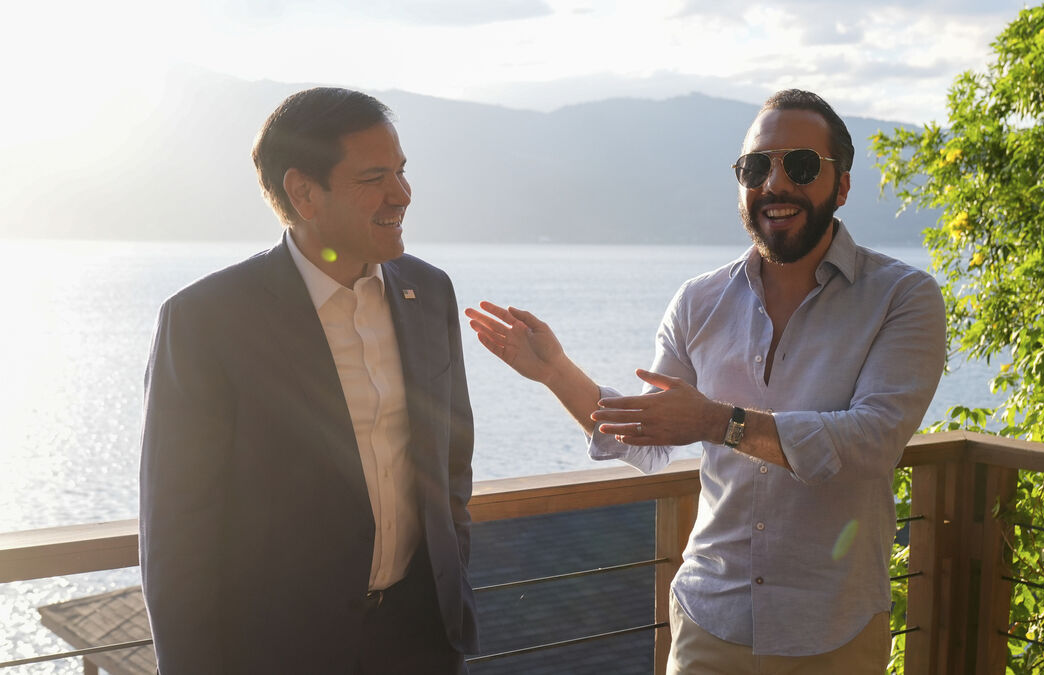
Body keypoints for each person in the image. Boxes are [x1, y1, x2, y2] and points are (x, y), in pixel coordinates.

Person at [465, 89, 945, 673]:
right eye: (755, 168)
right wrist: (554, 371)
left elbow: (871, 443)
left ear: (841, 186)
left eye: (799, 166)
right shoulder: (699, 302)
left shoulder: (902, 298)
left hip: (831, 630)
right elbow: (647, 438)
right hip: (709, 622)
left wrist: (720, 423)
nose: (774, 184)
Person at [139, 87, 477, 674]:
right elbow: (177, 531)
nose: (402, 194)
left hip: (423, 640)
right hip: (279, 653)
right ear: (303, 193)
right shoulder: (206, 320)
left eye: (401, 171)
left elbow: (451, 465)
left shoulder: (429, 292)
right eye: (374, 177)